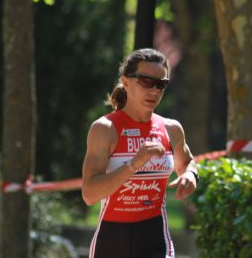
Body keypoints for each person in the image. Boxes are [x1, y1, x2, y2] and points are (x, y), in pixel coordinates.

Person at [81, 48, 199, 258]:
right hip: (112, 237)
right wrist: (134, 164)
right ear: (126, 81)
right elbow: (90, 194)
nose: (153, 90)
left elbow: (188, 162)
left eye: (160, 84)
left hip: (154, 236)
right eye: (145, 81)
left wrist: (191, 175)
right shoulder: (105, 129)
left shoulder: (171, 129)